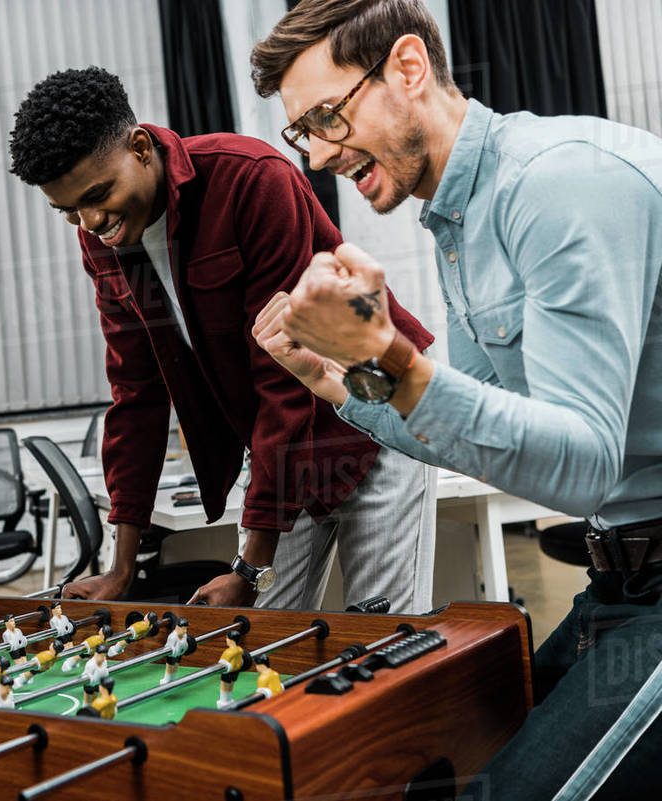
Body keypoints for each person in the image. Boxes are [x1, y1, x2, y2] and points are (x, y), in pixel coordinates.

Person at [248, 1, 662, 797]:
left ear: (408, 67)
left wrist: (389, 354)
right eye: (305, 132)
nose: (324, 153)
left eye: (330, 116)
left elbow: (579, 467)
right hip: (625, 573)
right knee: (453, 747)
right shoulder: (459, 214)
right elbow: (480, 429)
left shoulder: (557, 182)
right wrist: (329, 377)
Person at [8, 66, 436, 613]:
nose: (91, 221)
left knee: (381, 642)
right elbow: (136, 393)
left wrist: (251, 565)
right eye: (67, 211)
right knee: (257, 643)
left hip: (372, 419)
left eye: (98, 194)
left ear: (140, 148)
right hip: (286, 453)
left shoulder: (249, 179)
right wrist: (121, 568)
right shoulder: (105, 242)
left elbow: (284, 377)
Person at [160, 618, 190, 685]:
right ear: (177, 628)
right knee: (170, 667)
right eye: (183, 629)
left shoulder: (184, 636)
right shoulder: (172, 637)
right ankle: (167, 679)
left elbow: (185, 645)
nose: (185, 631)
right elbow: (170, 648)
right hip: (172, 655)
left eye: (186, 629)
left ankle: (173, 679)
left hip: (179, 654)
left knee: (176, 666)